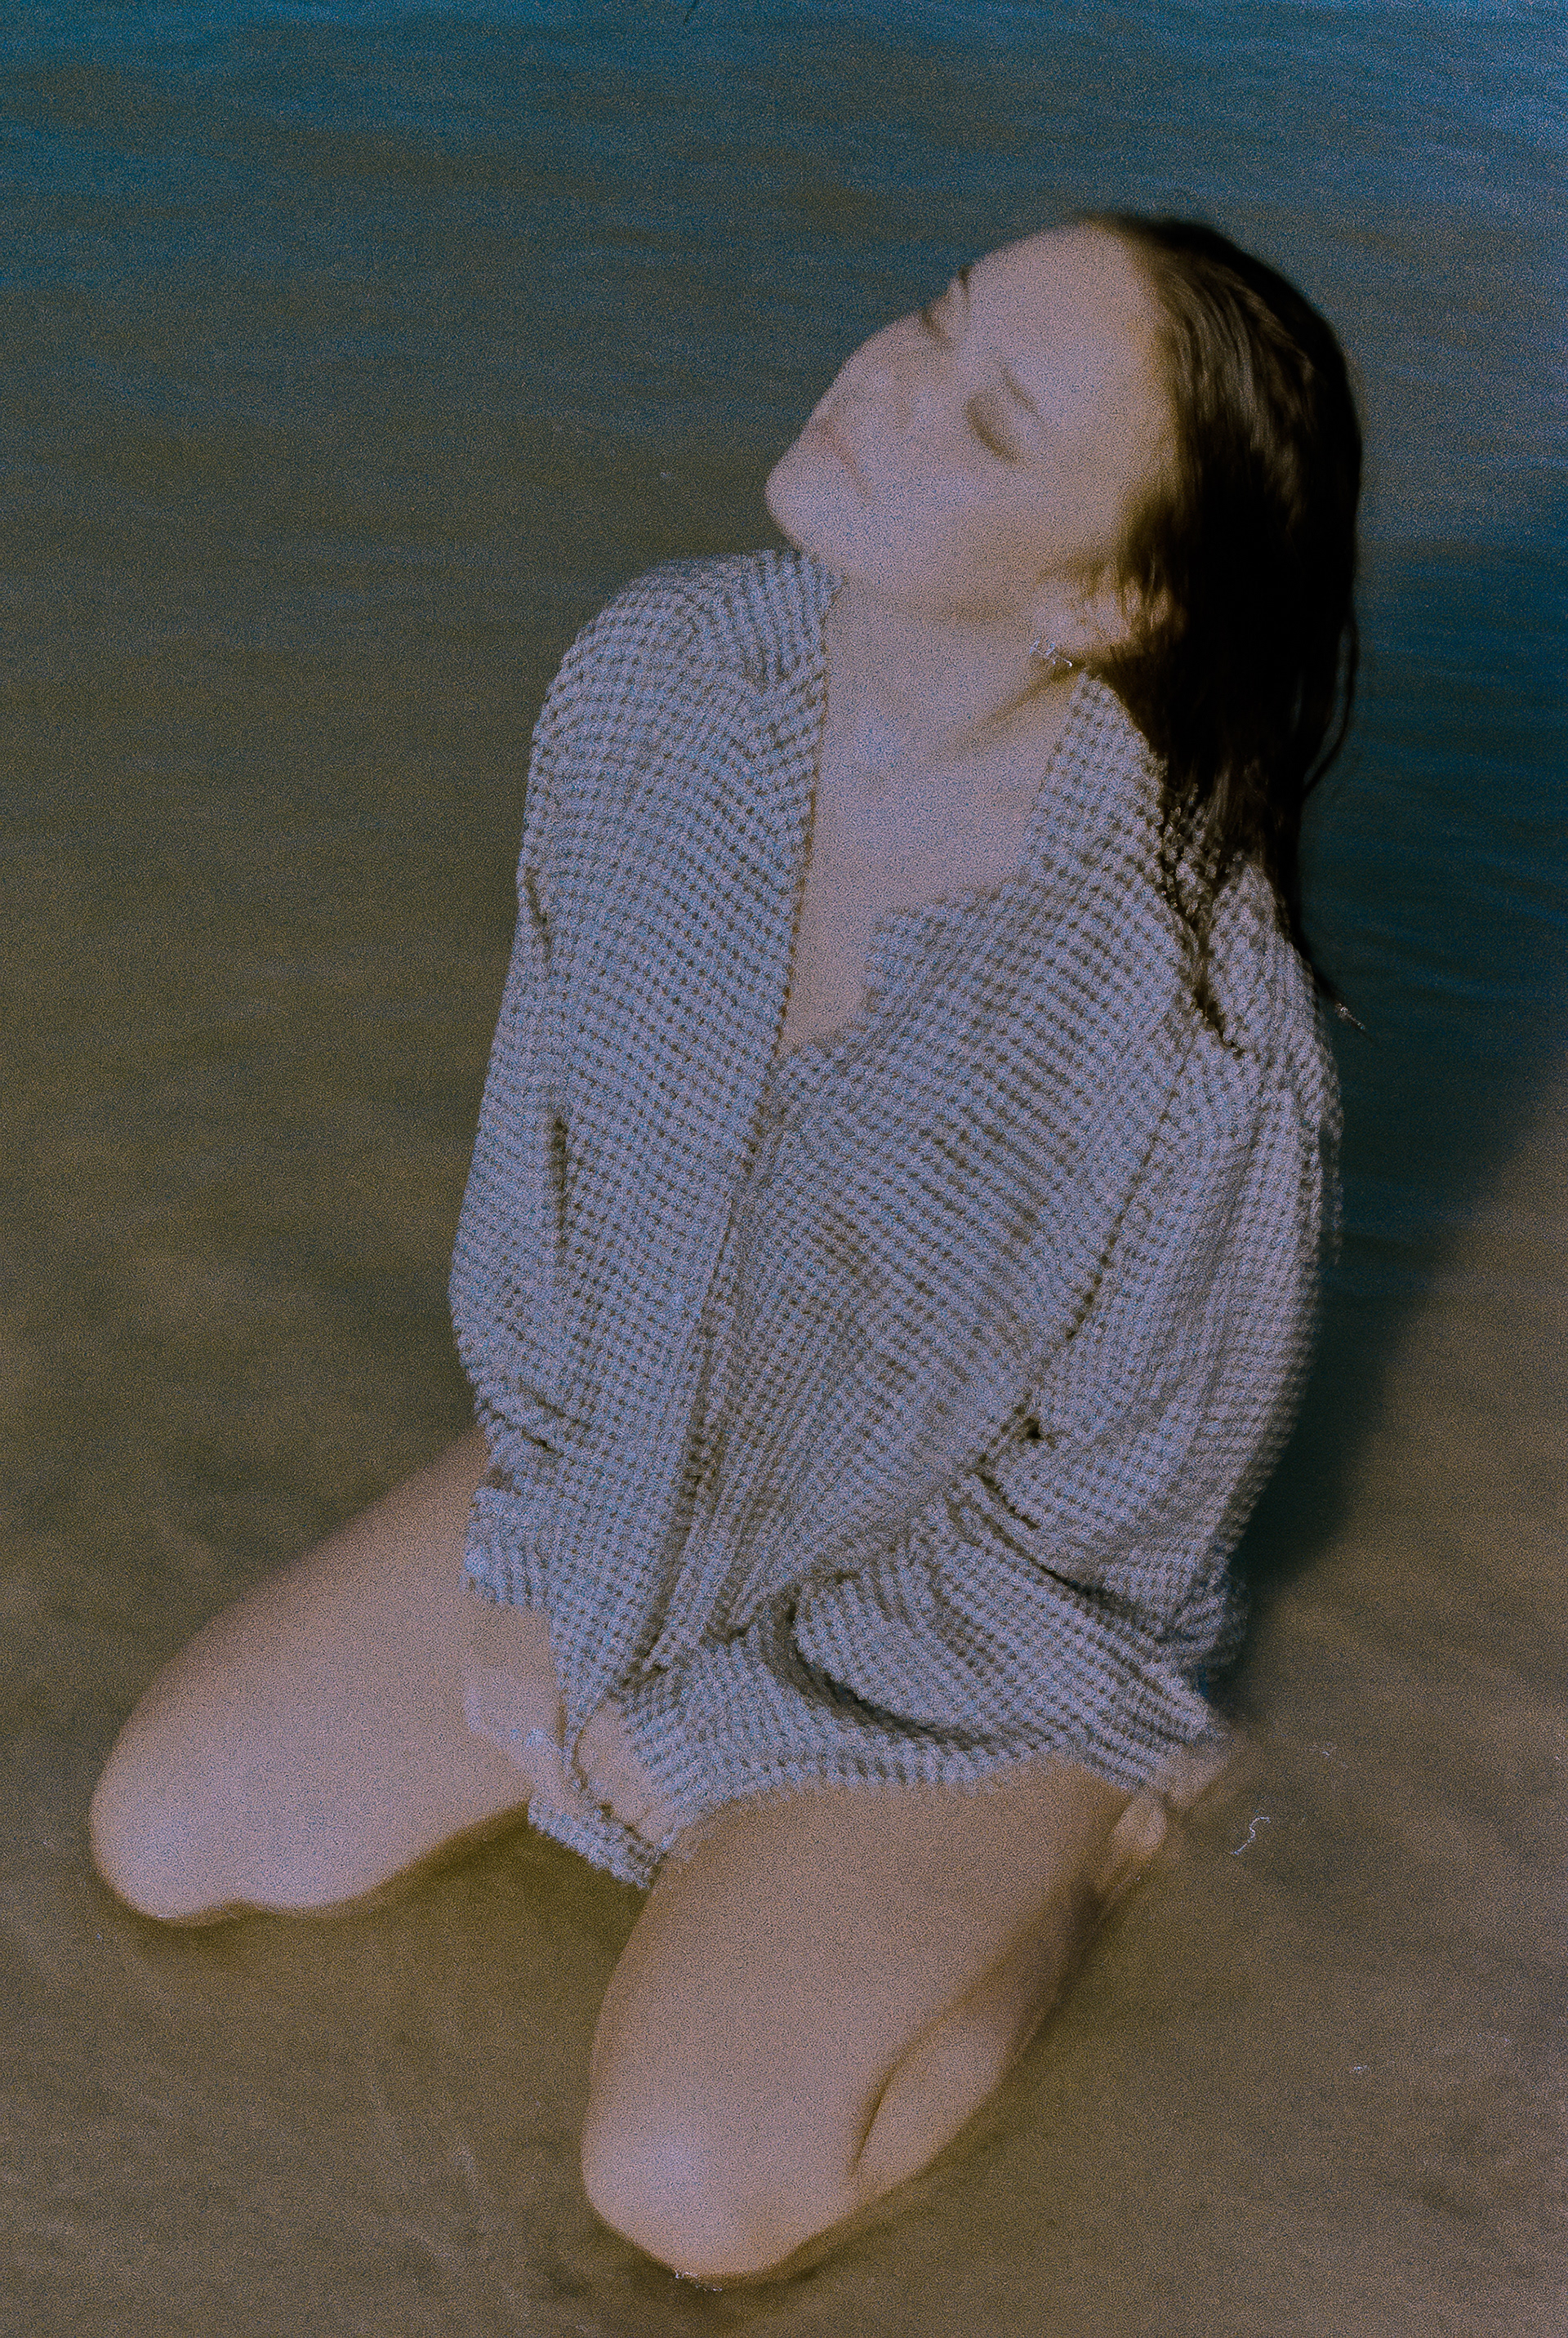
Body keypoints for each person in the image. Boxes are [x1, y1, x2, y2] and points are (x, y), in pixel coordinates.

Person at [88, 212, 1361, 2285]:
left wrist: (696, 1713)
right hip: (628, 1467)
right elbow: (543, 1194)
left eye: (991, 418)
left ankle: (1094, 1828)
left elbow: (1105, 1551)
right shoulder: (657, 680)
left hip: (964, 1648)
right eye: (937, 313)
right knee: (164, 1838)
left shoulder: (1202, 1027)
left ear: (1106, 597)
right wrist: (547, 1562)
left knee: (693, 2187)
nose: (888, 376)